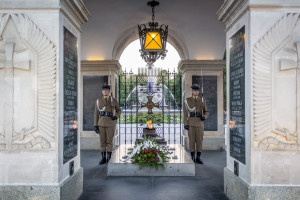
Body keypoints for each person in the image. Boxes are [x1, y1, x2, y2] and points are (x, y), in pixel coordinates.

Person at [94, 84, 121, 165]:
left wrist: (116, 116)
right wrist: (95, 125)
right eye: (103, 90)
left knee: (109, 141)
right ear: (102, 91)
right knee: (102, 142)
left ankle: (109, 157)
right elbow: (96, 113)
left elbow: (119, 110)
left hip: (110, 123)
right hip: (101, 123)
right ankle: (103, 158)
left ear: (109, 91)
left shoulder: (114, 100)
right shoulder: (98, 101)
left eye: (106, 90)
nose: (105, 91)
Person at [183, 84, 209, 164]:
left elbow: (206, 112)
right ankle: (192, 156)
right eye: (194, 90)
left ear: (198, 91)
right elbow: (185, 113)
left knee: (199, 141)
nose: (196, 92)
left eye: (197, 90)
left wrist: (204, 116)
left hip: (199, 123)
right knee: (191, 141)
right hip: (191, 123)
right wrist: (186, 123)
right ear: (192, 91)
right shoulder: (187, 100)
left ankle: (198, 157)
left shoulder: (202, 100)